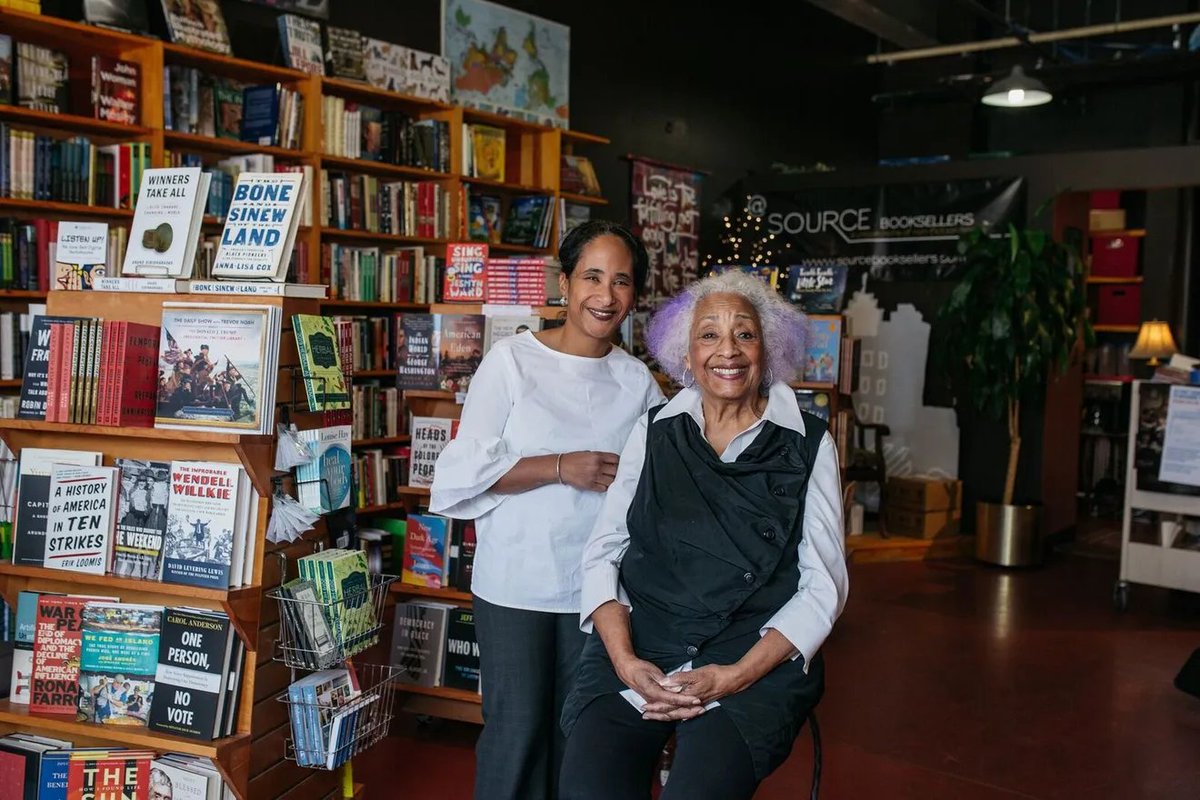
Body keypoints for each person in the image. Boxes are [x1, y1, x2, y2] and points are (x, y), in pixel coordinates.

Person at [558, 270, 850, 800]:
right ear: (686, 354)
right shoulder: (653, 430)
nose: (728, 350)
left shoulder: (809, 443)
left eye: (745, 333)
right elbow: (604, 552)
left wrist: (734, 676)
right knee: (587, 784)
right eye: (709, 334)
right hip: (644, 641)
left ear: (769, 347)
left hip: (752, 652)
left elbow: (823, 587)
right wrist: (624, 661)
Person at [430, 220, 666, 800]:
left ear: (634, 295)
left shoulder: (637, 381)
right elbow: (459, 476)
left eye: (621, 281)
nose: (605, 296)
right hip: (516, 585)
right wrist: (561, 466)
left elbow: (667, 475)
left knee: (580, 734)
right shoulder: (511, 362)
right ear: (565, 282)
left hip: (600, 592)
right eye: (591, 276)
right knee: (516, 733)